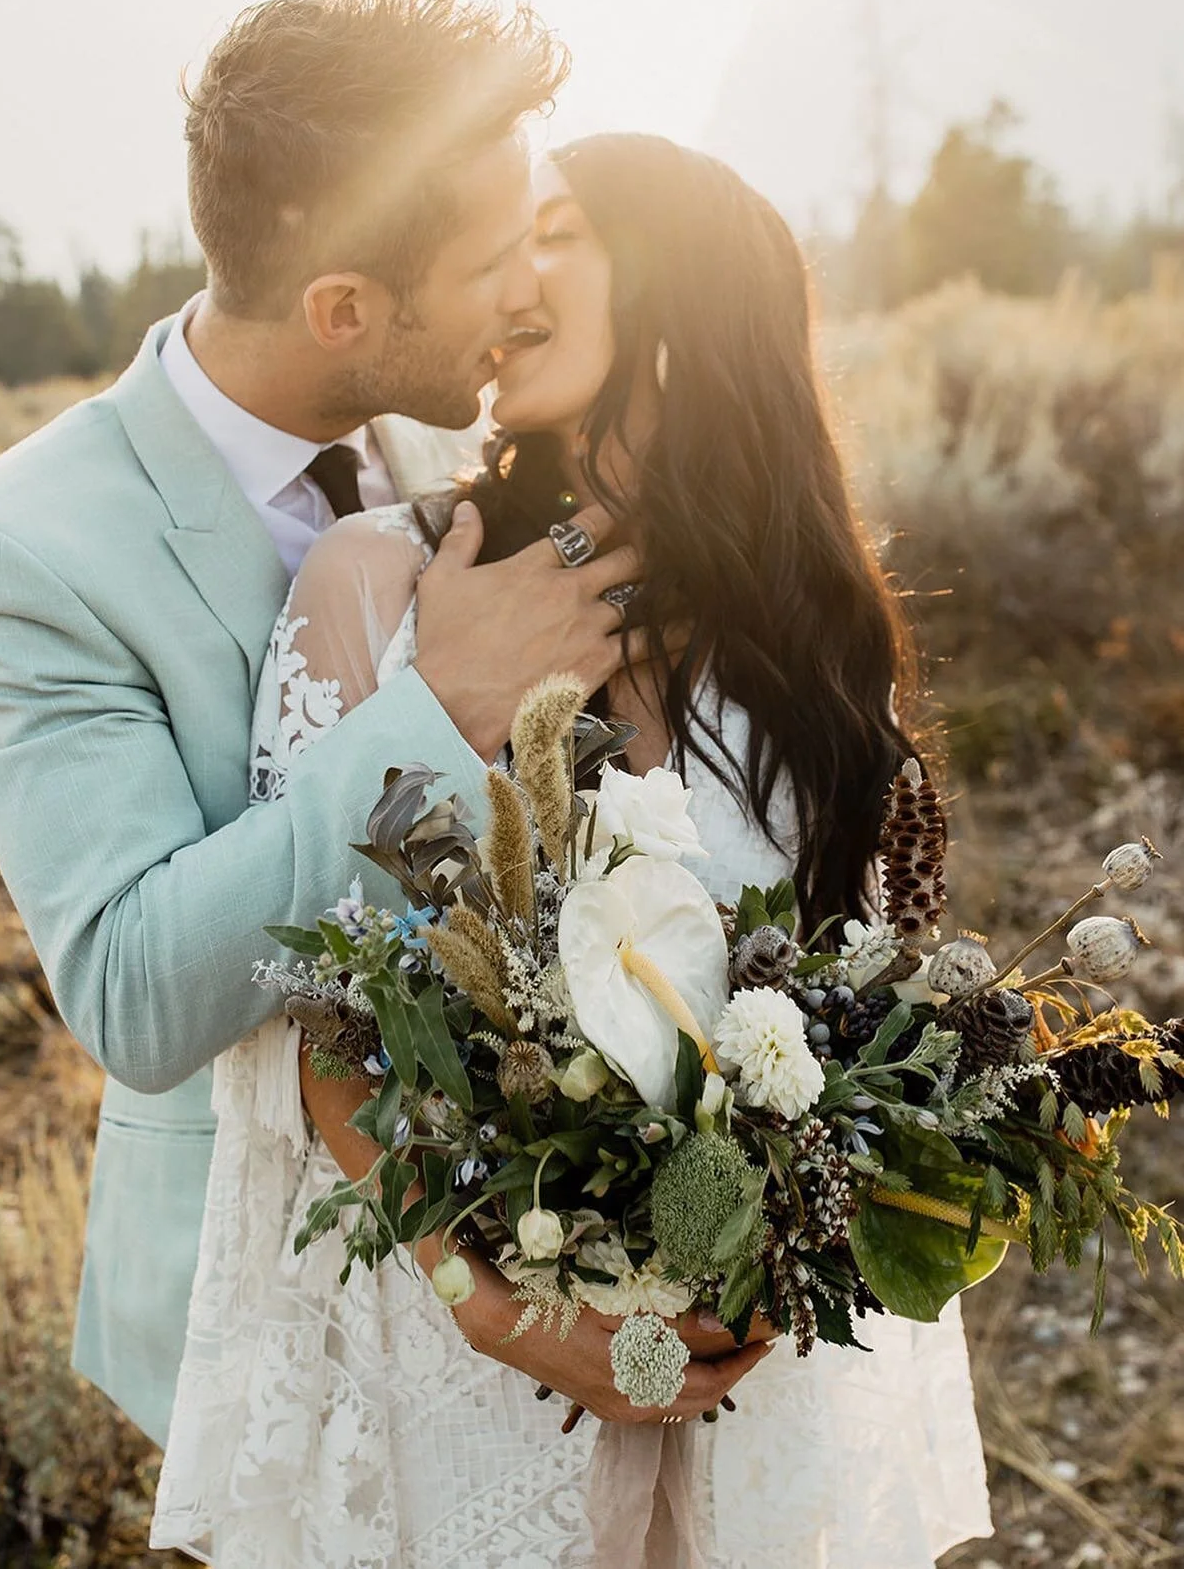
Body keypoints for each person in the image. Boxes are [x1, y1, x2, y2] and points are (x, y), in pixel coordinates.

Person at [152, 135, 994, 1567]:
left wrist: (775, 1230)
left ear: (684, 294)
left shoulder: (804, 650)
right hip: (458, 1362)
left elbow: (854, 1008)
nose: (505, 283)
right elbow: (327, 1010)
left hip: (741, 1369)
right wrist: (512, 1308)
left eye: (554, 236)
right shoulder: (393, 587)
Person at [0, 0, 693, 1453]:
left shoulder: (464, 427)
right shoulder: (23, 547)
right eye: (493, 264)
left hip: (531, 1257)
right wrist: (435, 706)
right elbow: (135, 991)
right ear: (346, 308)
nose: (528, 295)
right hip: (265, 1310)